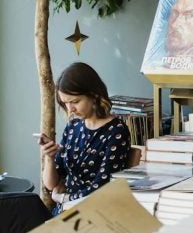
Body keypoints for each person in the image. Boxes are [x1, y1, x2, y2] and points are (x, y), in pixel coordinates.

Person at [40, 62, 131, 215]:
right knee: (20, 207)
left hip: (94, 214)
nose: (70, 109)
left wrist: (63, 198)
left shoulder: (117, 131)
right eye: (65, 103)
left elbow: (103, 187)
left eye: (75, 102)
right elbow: (51, 184)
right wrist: (49, 157)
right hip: (64, 212)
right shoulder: (73, 127)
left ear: (94, 95)